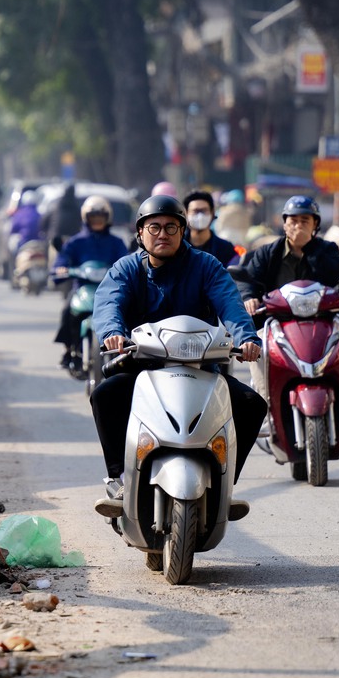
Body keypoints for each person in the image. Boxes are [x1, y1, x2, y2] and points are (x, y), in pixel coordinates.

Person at [88, 194, 265, 518]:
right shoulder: (126, 268)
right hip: (141, 368)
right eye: (153, 227)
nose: (162, 234)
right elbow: (108, 304)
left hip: (202, 368)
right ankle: (121, 478)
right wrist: (114, 332)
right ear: (141, 233)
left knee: (252, 404)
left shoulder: (206, 265)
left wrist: (247, 338)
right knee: (105, 394)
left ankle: (224, 484)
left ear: (182, 231)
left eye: (171, 227)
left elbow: (231, 305)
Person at [52, 196, 130, 368]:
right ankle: (68, 348)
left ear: (107, 218)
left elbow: (126, 262)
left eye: (100, 217)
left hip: (110, 291)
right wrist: (61, 269)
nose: (97, 221)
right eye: (93, 217)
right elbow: (62, 260)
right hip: (82, 289)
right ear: (85, 218)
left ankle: (127, 351)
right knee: (67, 311)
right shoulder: (75, 242)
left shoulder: (116, 243)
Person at [240, 195, 339, 309]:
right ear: (285, 224)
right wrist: (249, 297)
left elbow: (336, 275)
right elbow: (249, 279)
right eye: (293, 221)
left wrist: (309, 247)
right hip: (277, 316)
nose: (298, 226)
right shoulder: (267, 252)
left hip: (320, 314)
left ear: (315, 225)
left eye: (304, 221)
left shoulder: (328, 249)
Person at [180, 189, 239, 266]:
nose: (200, 216)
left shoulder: (225, 248)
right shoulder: (178, 247)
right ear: (186, 214)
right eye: (195, 211)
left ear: (212, 213)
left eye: (204, 211)